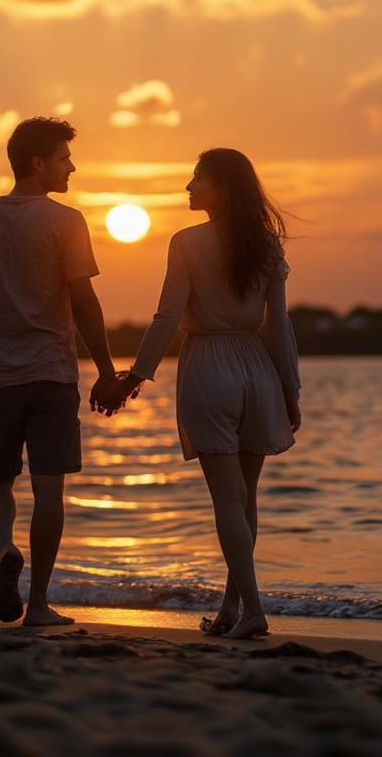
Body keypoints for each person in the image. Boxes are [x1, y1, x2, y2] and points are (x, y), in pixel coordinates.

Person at [96, 148, 302, 640]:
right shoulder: (268, 245)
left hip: (209, 365)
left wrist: (136, 376)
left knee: (228, 503)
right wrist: (289, 388)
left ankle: (252, 610)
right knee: (245, 498)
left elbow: (167, 316)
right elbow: (279, 325)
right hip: (258, 368)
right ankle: (232, 608)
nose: (188, 187)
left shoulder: (187, 242)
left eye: (197, 179)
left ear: (222, 188)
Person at [0, 117, 127, 627]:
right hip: (51, 374)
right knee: (50, 489)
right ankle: (40, 603)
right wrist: (107, 370)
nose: (72, 166)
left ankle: (5, 547)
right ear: (38, 163)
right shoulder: (65, 221)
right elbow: (85, 302)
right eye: (65, 158)